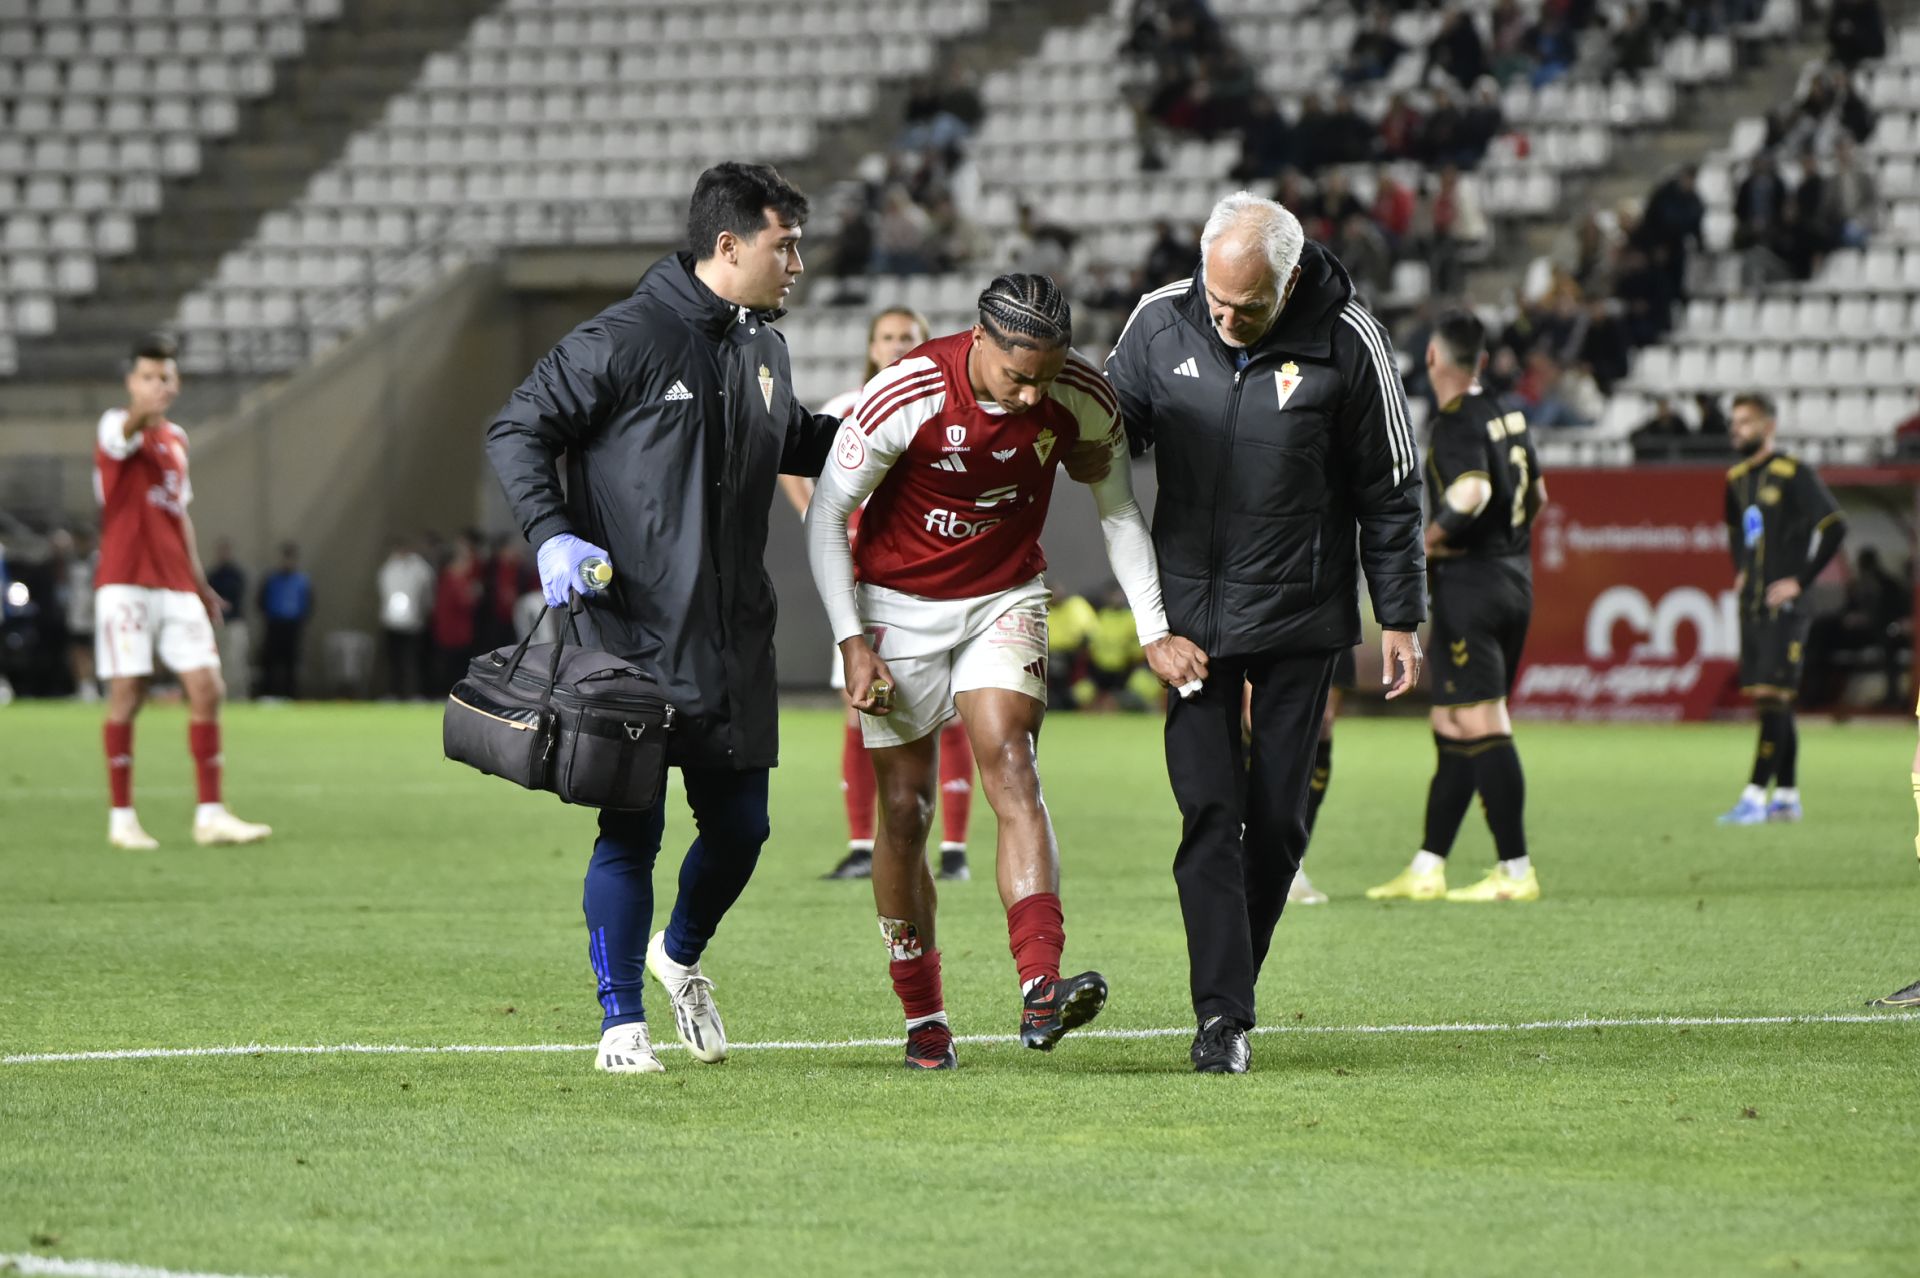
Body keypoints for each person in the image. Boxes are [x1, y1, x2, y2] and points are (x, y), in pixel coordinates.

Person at [486, 161, 844, 1076]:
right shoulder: (625, 337)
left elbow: (792, 437)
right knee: (630, 831)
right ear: (728, 246)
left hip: (732, 639)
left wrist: (880, 423)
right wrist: (552, 535)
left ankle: (679, 955)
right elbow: (518, 425)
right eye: (785, 244)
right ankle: (620, 1023)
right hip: (629, 636)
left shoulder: (764, 348)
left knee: (744, 831)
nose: (797, 262)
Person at [806, 273, 1206, 1071]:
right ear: (980, 341)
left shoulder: (1081, 397)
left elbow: (1119, 511)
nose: (1031, 395)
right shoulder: (909, 391)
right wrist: (852, 639)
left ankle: (1040, 987)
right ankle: (925, 1015)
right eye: (1016, 375)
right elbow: (826, 512)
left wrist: (1155, 630)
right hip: (896, 603)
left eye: (1044, 377)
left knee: (1014, 769)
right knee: (906, 807)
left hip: (1004, 596)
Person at [1104, 193, 1426, 1074]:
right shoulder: (1160, 322)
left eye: (1248, 306)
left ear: (1287, 281)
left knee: (1278, 822)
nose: (1226, 318)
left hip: (1298, 617)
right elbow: (1100, 438)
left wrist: (1399, 613)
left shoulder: (1349, 338)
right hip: (1191, 625)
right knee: (1211, 812)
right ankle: (1222, 1017)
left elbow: (1391, 489)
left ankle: (1227, 991)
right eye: (1216, 300)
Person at [780, 308, 981, 884]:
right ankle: (862, 846)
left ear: (926, 343)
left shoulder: (941, 404)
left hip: (933, 578)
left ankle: (955, 851)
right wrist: (815, 517)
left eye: (909, 337)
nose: (897, 345)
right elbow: (791, 465)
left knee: (948, 713)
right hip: (863, 582)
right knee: (857, 707)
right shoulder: (849, 406)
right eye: (888, 336)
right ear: (870, 345)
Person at [1368, 311, 1547, 903]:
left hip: (1471, 583)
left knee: (1483, 720)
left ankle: (1515, 870)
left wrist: (1423, 543)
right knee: (1452, 721)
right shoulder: (1508, 413)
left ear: (1434, 360)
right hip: (1513, 577)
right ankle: (1428, 866)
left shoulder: (1454, 420)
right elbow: (1538, 494)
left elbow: (1473, 490)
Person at [92, 333, 272, 850]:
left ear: (176, 383)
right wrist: (138, 413)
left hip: (173, 584)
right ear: (132, 382)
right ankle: (122, 819)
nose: (156, 386)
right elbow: (123, 432)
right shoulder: (115, 426)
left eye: (164, 377)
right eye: (147, 376)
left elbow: (179, 515)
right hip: (125, 582)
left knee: (208, 687)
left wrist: (200, 585)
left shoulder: (177, 439)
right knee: (130, 692)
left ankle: (210, 814)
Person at [1717, 393, 1846, 825]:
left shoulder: (1794, 473)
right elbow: (1735, 529)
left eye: (1746, 422)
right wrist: (1740, 569)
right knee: (1773, 701)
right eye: (1734, 422)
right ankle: (1787, 797)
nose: (1737, 429)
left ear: (1768, 426)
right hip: (1752, 603)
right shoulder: (1735, 479)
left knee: (1774, 695)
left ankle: (1754, 796)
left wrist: (1800, 581)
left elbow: (1834, 525)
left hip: (1786, 605)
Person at [376, 537, 435, 700]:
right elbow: (384, 592)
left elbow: (426, 593)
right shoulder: (389, 568)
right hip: (392, 622)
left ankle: (416, 692)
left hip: (414, 623)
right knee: (394, 661)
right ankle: (394, 692)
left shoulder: (420, 568)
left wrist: (424, 612)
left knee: (414, 660)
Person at [257, 542, 312, 699]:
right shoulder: (272, 579)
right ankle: (267, 695)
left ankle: (291, 695)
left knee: (291, 663)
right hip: (274, 625)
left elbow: (308, 603)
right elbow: (261, 601)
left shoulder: (302, 581)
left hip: (293, 626)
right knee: (270, 661)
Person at [205, 537, 249, 701]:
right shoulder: (214, 574)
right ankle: (219, 696)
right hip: (217, 624)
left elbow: (236, 598)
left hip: (234, 624)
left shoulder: (236, 575)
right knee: (219, 662)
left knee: (235, 663)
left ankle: (238, 697)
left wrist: (225, 605)